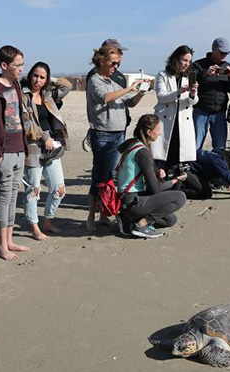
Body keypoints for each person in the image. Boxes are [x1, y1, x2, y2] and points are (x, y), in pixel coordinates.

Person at [85, 45, 144, 232]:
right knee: (100, 177)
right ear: (102, 61)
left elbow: (128, 103)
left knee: (110, 178)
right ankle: (91, 217)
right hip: (103, 135)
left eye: (118, 63)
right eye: (113, 63)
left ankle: (103, 215)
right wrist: (128, 89)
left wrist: (141, 92)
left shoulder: (111, 81)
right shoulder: (95, 80)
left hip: (118, 134)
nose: (116, 67)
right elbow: (105, 98)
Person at [0, 45, 33, 260]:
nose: (21, 68)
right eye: (17, 65)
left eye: (22, 64)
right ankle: (2, 244)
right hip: (4, 150)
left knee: (13, 195)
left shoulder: (16, 85)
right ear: (4, 65)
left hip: (19, 147)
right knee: (4, 196)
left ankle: (10, 240)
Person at [20, 62, 70, 241]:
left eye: (42, 77)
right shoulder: (22, 95)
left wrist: (51, 80)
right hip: (33, 145)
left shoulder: (48, 95)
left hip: (52, 145)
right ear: (29, 75)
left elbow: (67, 86)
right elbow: (26, 122)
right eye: (35, 75)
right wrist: (44, 138)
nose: (37, 80)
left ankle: (48, 220)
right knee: (33, 189)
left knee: (60, 189)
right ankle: (34, 226)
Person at [116, 115, 187, 239]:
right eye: (158, 130)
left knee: (170, 220)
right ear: (149, 132)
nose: (159, 134)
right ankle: (141, 224)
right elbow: (155, 188)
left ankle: (126, 219)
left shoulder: (131, 143)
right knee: (180, 197)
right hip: (132, 201)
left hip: (125, 200)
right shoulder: (143, 152)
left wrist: (156, 173)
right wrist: (175, 181)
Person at [152, 45, 199, 170]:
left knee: (180, 156)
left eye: (189, 61)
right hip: (166, 120)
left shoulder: (188, 77)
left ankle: (177, 184)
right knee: (163, 155)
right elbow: (161, 97)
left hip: (183, 121)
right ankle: (162, 182)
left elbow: (193, 102)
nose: (186, 64)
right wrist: (178, 92)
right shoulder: (163, 75)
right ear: (176, 59)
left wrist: (193, 94)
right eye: (184, 60)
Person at [192, 37, 230, 153]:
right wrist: (206, 73)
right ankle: (194, 169)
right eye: (222, 52)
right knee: (196, 147)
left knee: (220, 147)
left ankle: (217, 169)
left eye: (226, 53)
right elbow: (190, 83)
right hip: (201, 110)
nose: (224, 55)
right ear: (213, 49)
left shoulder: (228, 66)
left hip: (219, 113)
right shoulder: (199, 65)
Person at [86, 39, 132, 128]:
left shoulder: (120, 76)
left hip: (120, 125)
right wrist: (129, 89)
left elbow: (124, 99)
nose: (120, 55)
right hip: (103, 127)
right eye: (118, 51)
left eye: (120, 53)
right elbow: (103, 98)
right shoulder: (96, 75)